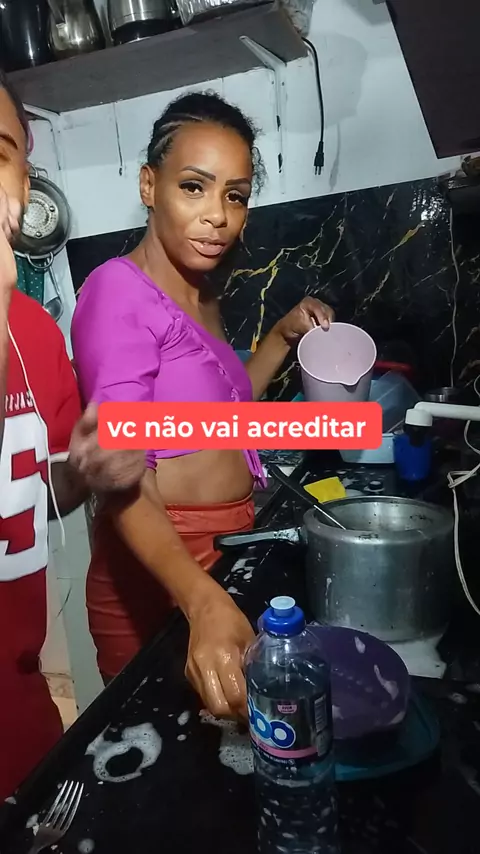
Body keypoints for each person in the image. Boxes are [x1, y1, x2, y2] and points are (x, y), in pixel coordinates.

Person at [72, 91, 335, 720]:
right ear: (149, 185)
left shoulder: (200, 294)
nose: (217, 215)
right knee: (164, 754)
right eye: (194, 186)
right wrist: (201, 599)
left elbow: (221, 410)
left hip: (223, 547)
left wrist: (282, 336)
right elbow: (124, 478)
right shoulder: (117, 292)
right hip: (160, 569)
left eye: (235, 196)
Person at [0, 69, 145, 800]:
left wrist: (84, 469)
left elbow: (39, 497)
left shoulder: (35, 331)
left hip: (23, 730)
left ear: (23, 184)